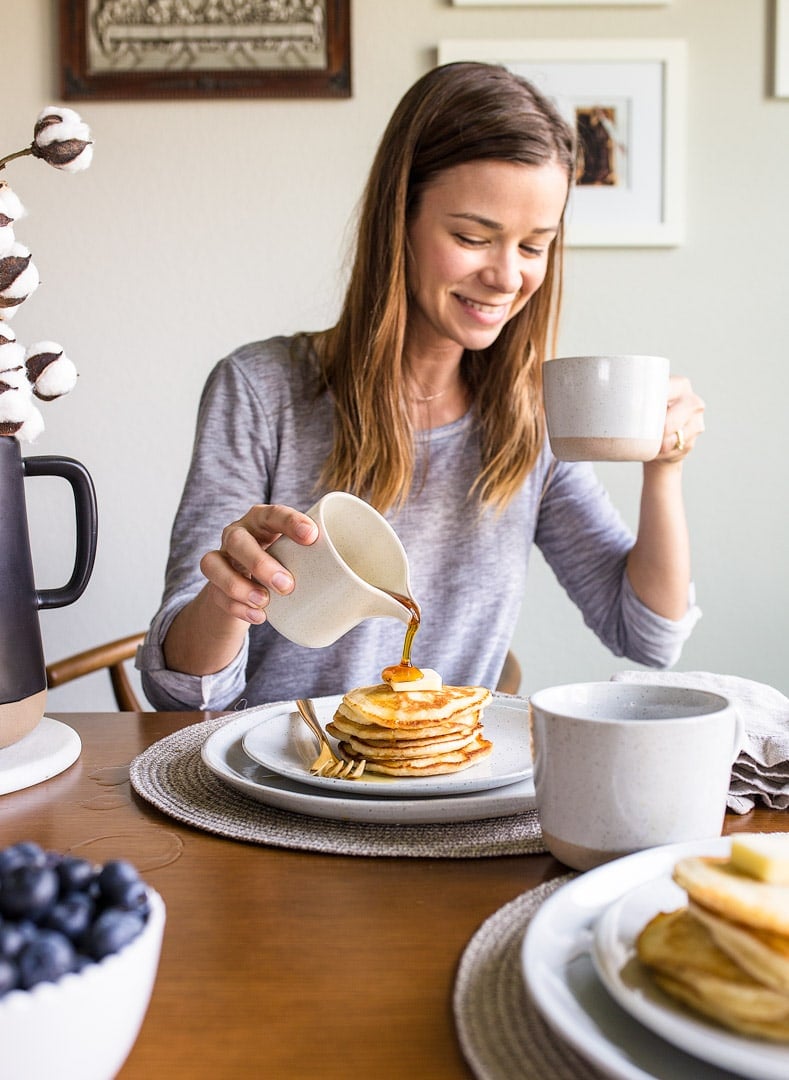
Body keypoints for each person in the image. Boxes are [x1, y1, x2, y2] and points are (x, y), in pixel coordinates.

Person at [138, 61, 704, 711]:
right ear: (398, 219)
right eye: (472, 237)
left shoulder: (531, 418)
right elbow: (180, 692)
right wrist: (227, 596)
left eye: (533, 246)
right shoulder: (261, 390)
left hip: (441, 785)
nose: (505, 277)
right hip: (276, 784)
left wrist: (664, 469)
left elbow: (646, 635)